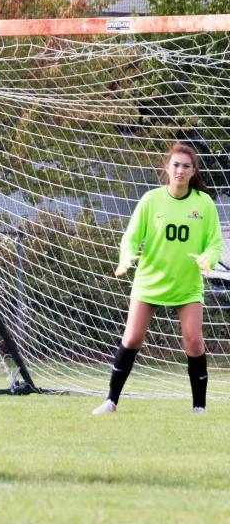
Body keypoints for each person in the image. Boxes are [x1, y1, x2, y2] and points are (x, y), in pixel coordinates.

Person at [92, 142, 223, 416]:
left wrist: (207, 259)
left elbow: (214, 243)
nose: (180, 170)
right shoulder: (151, 200)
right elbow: (131, 237)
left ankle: (199, 407)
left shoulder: (204, 203)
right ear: (167, 168)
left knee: (194, 342)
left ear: (193, 171)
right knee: (132, 339)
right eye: (175, 165)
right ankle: (111, 401)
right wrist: (125, 257)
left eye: (186, 166)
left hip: (186, 286)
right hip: (149, 282)